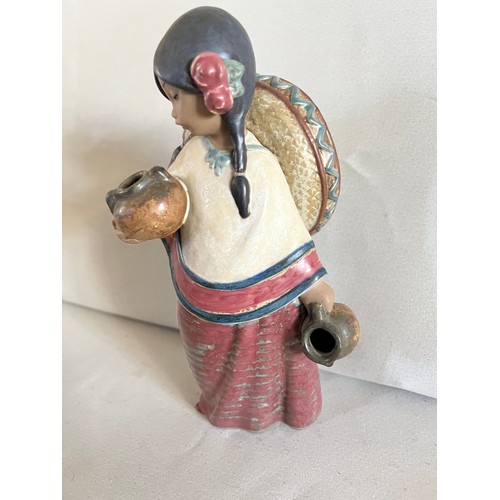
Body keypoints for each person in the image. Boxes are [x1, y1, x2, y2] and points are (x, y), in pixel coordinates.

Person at [154, 6, 335, 431]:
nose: (173, 112)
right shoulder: (190, 154)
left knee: (266, 368)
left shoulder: (262, 167)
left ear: (215, 96)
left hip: (264, 305)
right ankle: (219, 407)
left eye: (177, 97)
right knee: (212, 369)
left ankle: (270, 412)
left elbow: (286, 235)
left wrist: (313, 286)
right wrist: (151, 210)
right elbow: (174, 206)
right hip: (201, 296)